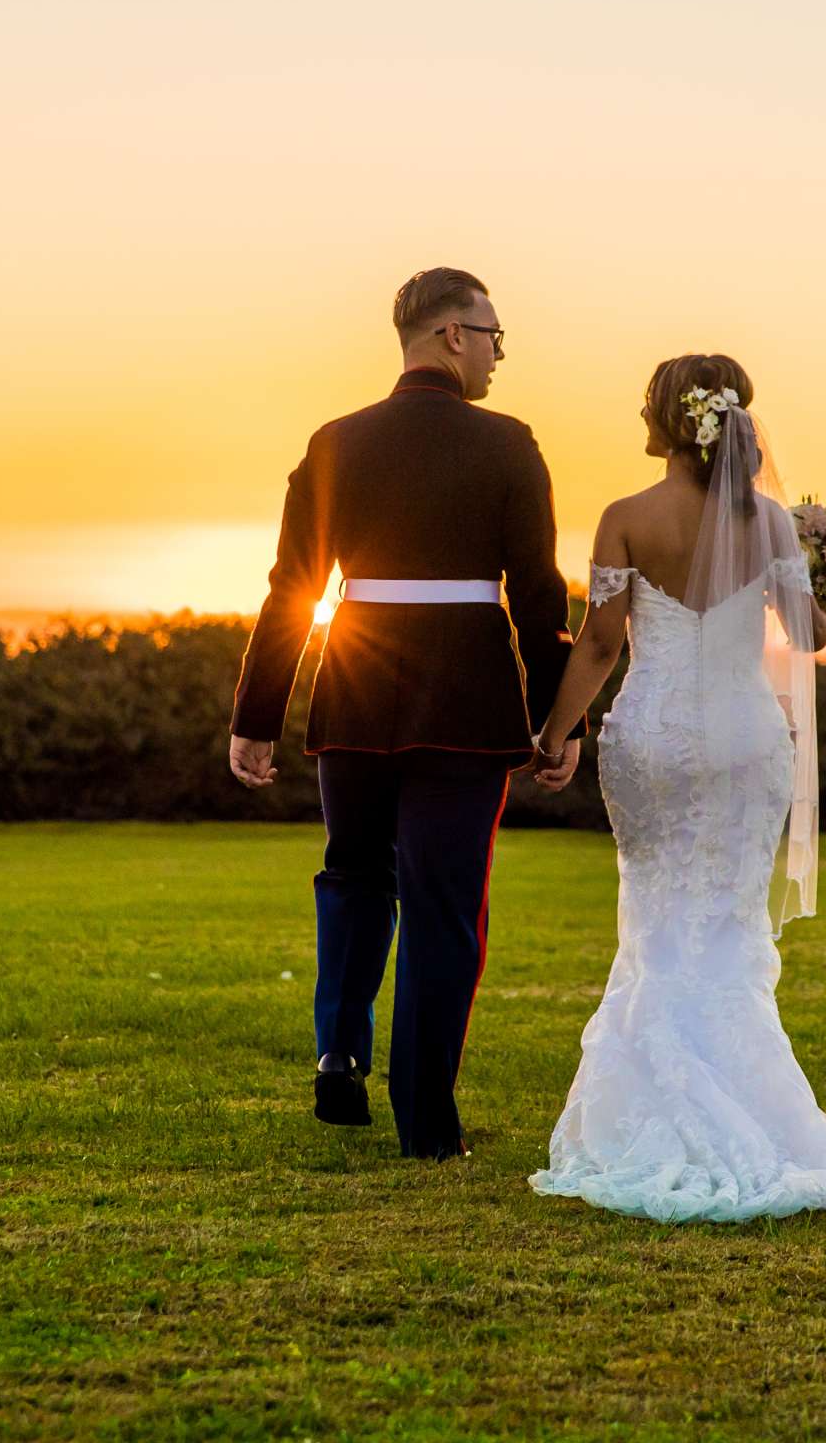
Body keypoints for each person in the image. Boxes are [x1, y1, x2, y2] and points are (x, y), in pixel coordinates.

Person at [228, 267, 581, 1161]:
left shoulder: (334, 441)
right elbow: (538, 599)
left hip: (352, 692)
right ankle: (426, 1120)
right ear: (450, 336)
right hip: (463, 702)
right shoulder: (508, 445)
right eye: (494, 333)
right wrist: (558, 723)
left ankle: (338, 1048)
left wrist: (257, 713)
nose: (501, 351)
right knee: (443, 905)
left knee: (352, 873)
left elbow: (292, 589)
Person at [524, 353, 826, 1221]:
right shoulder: (769, 523)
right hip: (750, 745)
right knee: (727, 922)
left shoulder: (626, 518)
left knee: (657, 915)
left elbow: (599, 646)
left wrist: (555, 733)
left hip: (657, 741)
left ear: (670, 419)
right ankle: (761, 1119)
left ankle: (648, 1115)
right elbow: (810, 637)